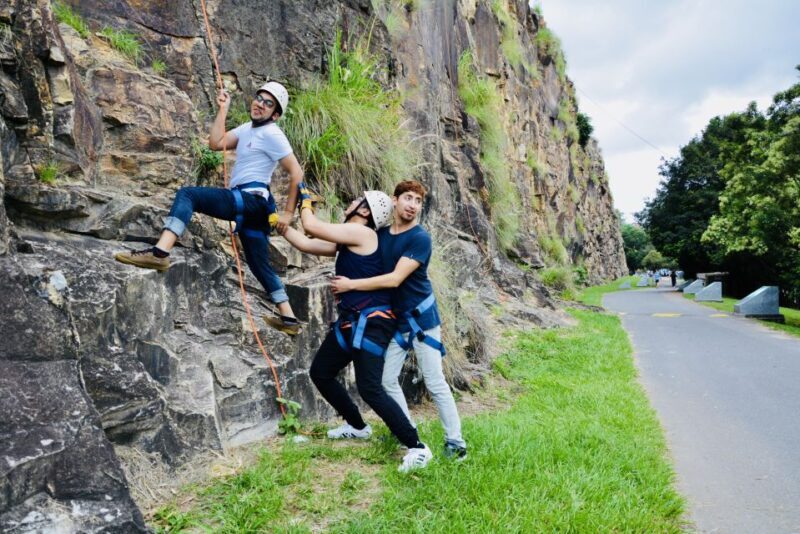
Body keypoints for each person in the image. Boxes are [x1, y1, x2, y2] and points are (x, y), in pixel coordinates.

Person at [114, 82, 301, 334]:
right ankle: (289, 319)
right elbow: (216, 143)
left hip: (253, 199)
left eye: (269, 103)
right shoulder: (248, 129)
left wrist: (288, 213)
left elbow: (296, 172)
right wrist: (223, 109)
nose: (260, 104)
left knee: (188, 194)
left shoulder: (272, 133)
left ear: (275, 114)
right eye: (259, 98)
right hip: (255, 206)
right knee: (258, 264)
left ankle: (160, 253)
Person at [280, 184, 433, 473]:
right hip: (352, 321)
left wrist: (305, 199)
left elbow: (310, 225)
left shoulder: (362, 233)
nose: (350, 201)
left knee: (370, 388)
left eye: (355, 200)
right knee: (321, 372)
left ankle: (417, 447)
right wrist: (279, 225)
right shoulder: (348, 241)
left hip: (372, 323)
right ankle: (357, 425)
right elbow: (306, 242)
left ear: (364, 210)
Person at [331, 180, 468, 460]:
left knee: (435, 381)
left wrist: (351, 285)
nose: (412, 205)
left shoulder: (420, 239)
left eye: (418, 201)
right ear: (394, 200)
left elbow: (394, 279)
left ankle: (456, 442)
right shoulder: (380, 234)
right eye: (408, 198)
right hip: (397, 321)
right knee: (385, 379)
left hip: (422, 321)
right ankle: (405, 428)